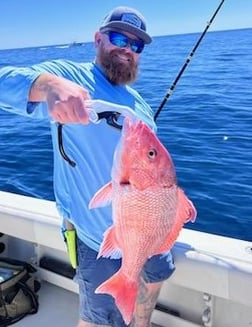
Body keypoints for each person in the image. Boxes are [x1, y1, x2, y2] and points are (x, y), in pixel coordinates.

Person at [0, 6, 175, 327]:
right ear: (98, 39)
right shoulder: (71, 77)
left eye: (136, 45)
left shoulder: (141, 106)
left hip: (151, 227)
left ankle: (142, 324)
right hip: (97, 238)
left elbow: (158, 170)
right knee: (96, 317)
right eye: (119, 37)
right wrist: (48, 85)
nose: (127, 49)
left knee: (155, 275)